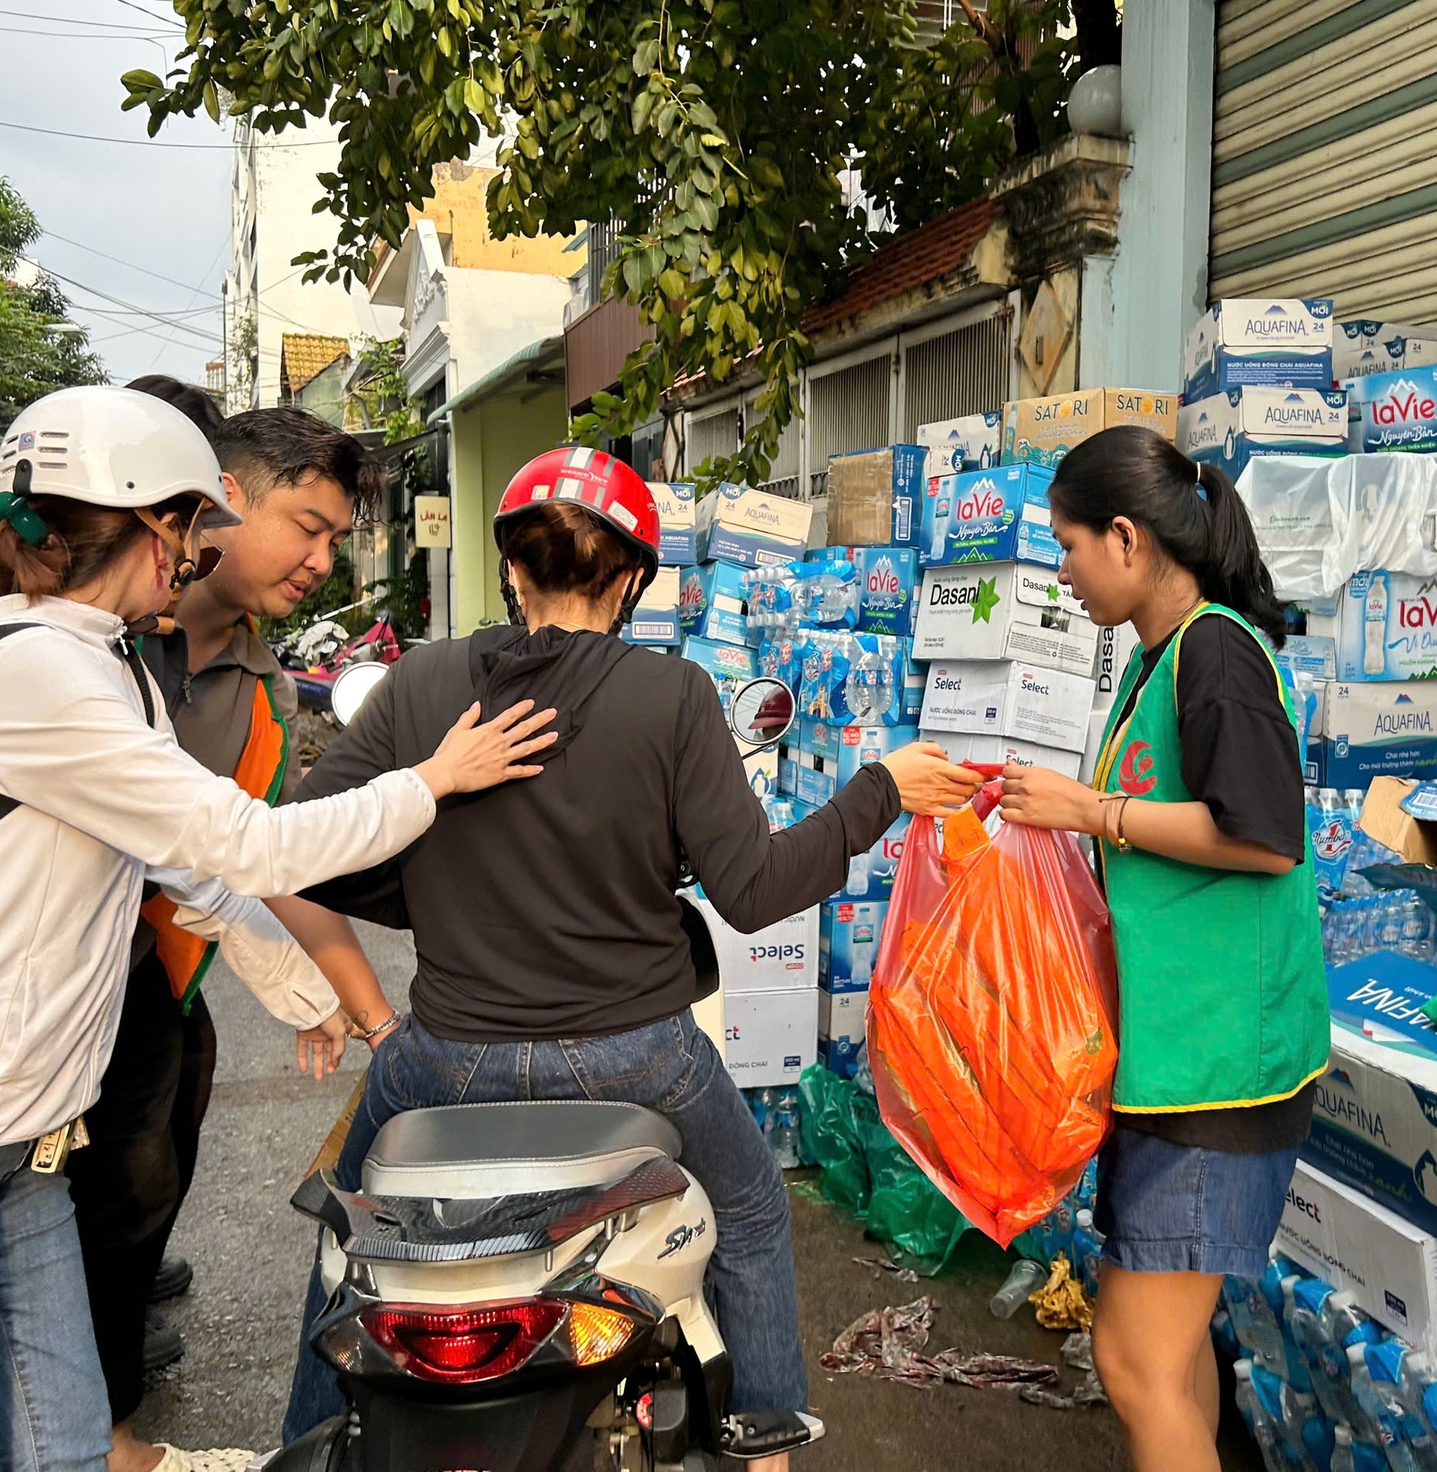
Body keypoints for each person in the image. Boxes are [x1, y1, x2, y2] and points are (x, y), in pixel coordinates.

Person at [0, 384, 556, 1472]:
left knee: (64, 1444)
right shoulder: (39, 668)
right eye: (188, 527)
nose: (193, 555)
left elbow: (189, 866)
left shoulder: (106, 663)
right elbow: (251, 845)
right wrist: (435, 777)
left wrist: (310, 984)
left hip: (25, 1141)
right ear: (150, 525)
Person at [280, 446, 983, 1461]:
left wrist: (428, 873)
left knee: (348, 1241)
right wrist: (876, 790)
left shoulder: (421, 682)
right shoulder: (671, 696)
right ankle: (765, 1449)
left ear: (512, 569)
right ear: (634, 578)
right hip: (636, 1049)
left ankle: (308, 1440)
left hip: (445, 1052)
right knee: (748, 1209)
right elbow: (752, 891)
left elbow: (303, 843)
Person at [996, 425, 1328, 1472]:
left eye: (1068, 544)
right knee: (1168, 1361)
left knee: (1133, 1363)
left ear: (1127, 539)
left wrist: (1092, 812)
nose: (1064, 570)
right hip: (1176, 1060)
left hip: (1222, 1074)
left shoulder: (1214, 653)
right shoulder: (1162, 660)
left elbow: (1266, 839)